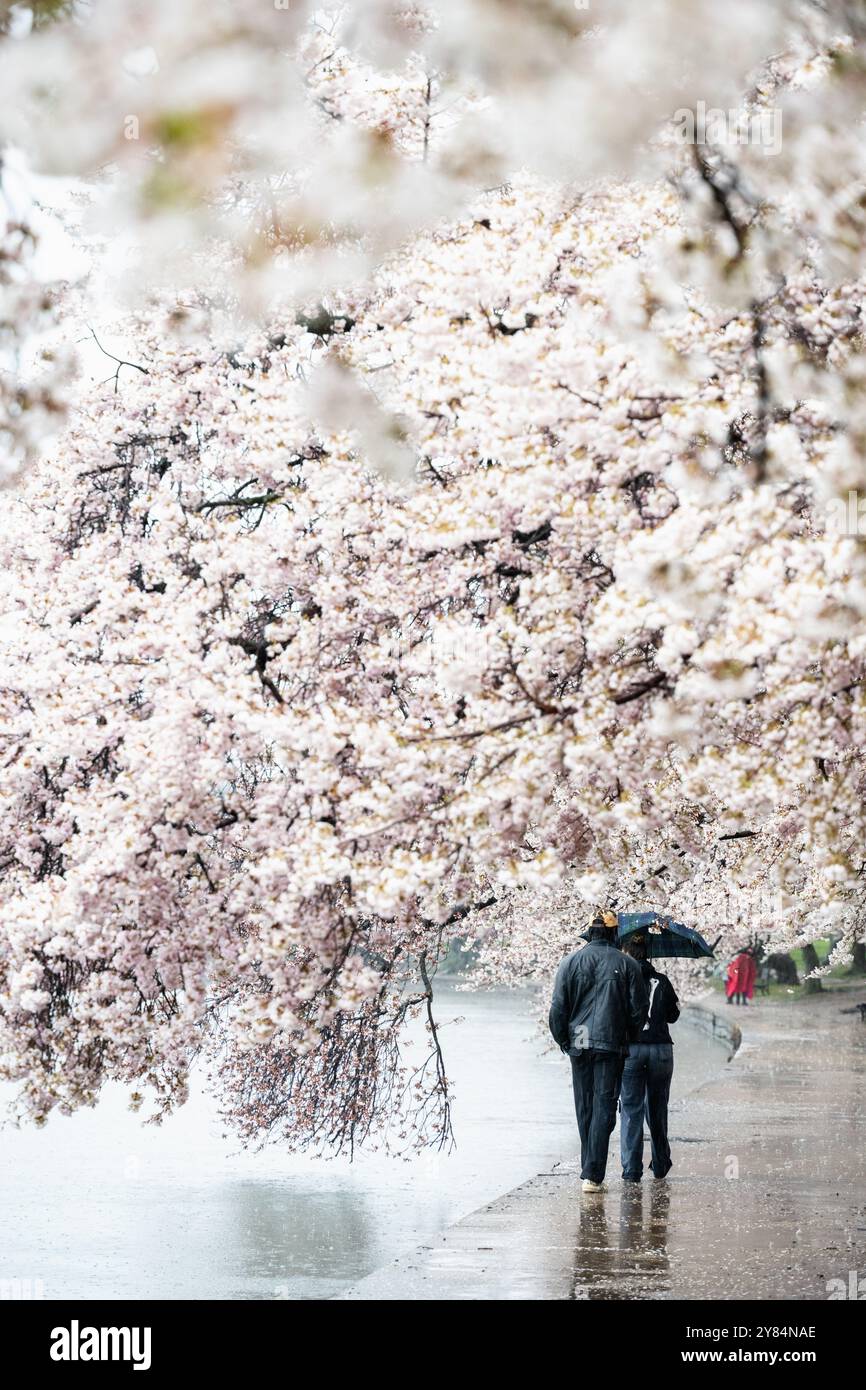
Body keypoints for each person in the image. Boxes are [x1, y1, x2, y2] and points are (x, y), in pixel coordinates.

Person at [548, 910, 649, 1193]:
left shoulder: (569, 962)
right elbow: (639, 1010)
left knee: (585, 1105)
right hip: (611, 1041)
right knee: (604, 1105)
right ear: (614, 934)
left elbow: (558, 1009)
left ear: (589, 934)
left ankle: (589, 1169)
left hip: (579, 1042)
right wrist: (626, 1035)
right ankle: (592, 1173)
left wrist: (564, 1041)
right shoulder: (627, 964)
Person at [618, 935, 680, 1183]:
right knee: (657, 1107)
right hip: (661, 1049)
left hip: (632, 1049)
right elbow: (673, 1016)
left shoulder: (622, 979)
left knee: (631, 1109)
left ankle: (632, 1169)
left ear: (628, 953)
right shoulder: (662, 981)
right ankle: (660, 1164)